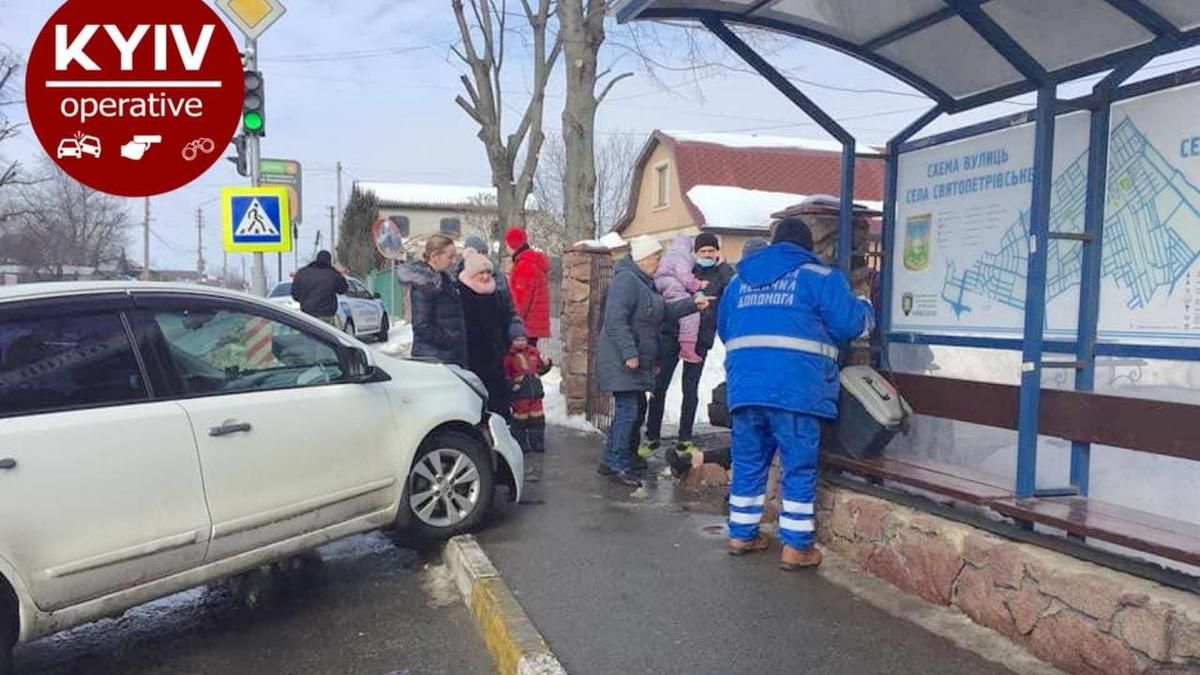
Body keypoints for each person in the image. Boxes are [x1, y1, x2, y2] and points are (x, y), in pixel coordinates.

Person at [718, 217, 872, 570]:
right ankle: (797, 547)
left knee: (748, 462)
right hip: (797, 389)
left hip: (746, 387)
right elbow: (850, 324)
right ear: (807, 247)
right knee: (798, 466)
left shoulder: (739, 282)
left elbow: (726, 329)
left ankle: (742, 533)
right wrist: (866, 309)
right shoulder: (818, 276)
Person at [595, 235, 708, 488]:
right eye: (657, 256)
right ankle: (618, 463)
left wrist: (691, 305)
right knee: (628, 410)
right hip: (622, 359)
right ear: (644, 258)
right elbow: (615, 321)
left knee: (633, 409)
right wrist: (629, 353)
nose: (660, 261)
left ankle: (614, 458)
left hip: (634, 359)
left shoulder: (645, 283)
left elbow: (663, 312)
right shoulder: (626, 281)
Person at [647, 232, 735, 458]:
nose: (707, 255)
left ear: (717, 253)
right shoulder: (686, 269)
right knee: (660, 385)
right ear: (695, 253)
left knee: (690, 388)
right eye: (703, 251)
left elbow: (733, 287)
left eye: (711, 251)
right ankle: (651, 435)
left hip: (701, 339)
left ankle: (685, 437)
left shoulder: (720, 274)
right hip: (671, 334)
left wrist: (724, 266)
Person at [457, 254, 516, 419]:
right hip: (472, 353)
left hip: (495, 352)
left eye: (488, 273)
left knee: (497, 395)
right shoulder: (462, 292)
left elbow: (505, 318)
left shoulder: (494, 291)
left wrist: (504, 344)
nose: (485, 277)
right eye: (480, 273)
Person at [397, 235, 467, 367]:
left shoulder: (444, 279)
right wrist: (450, 341)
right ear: (435, 256)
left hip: (446, 356)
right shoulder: (424, 283)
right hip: (434, 358)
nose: (453, 261)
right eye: (450, 257)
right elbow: (422, 326)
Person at [460, 236, 526, 343]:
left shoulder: (499, 278)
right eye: (478, 252)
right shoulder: (458, 281)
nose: (481, 256)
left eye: (484, 252)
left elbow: (510, 311)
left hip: (495, 341)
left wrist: (516, 333)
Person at [653, 234, 706, 364]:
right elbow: (685, 276)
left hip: (660, 284)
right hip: (671, 284)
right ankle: (687, 348)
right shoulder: (682, 258)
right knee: (690, 311)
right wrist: (697, 285)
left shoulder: (667, 256)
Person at [505, 227, 552, 346]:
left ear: (512, 244)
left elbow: (520, 300)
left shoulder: (524, 265)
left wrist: (513, 321)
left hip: (526, 326)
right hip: (534, 324)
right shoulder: (533, 262)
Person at [505, 335, 551, 454]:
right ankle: (520, 443)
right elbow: (505, 374)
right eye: (517, 340)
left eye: (523, 340)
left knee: (538, 419)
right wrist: (511, 385)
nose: (521, 343)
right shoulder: (509, 356)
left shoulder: (533, 352)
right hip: (520, 394)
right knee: (520, 420)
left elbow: (540, 369)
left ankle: (537, 442)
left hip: (535, 393)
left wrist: (547, 364)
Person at [290, 250, 347, 325]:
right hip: (326, 315)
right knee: (327, 335)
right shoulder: (332, 274)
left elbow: (295, 295)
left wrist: (305, 301)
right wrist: (342, 276)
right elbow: (343, 289)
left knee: (309, 335)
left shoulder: (302, 273)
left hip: (306, 315)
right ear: (329, 261)